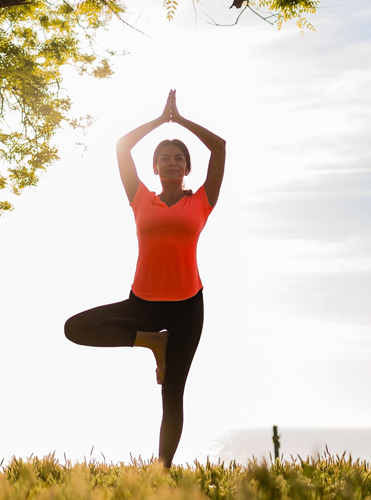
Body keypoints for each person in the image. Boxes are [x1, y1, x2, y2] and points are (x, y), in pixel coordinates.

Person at [64, 90, 226, 468]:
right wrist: (159, 120)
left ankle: (162, 471)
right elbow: (122, 146)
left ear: (187, 167)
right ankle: (151, 342)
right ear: (154, 168)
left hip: (187, 307)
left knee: (173, 394)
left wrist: (180, 120)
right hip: (143, 304)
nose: (172, 162)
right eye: (164, 158)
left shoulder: (202, 200)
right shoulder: (140, 197)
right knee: (76, 328)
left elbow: (219, 147)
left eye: (179, 158)